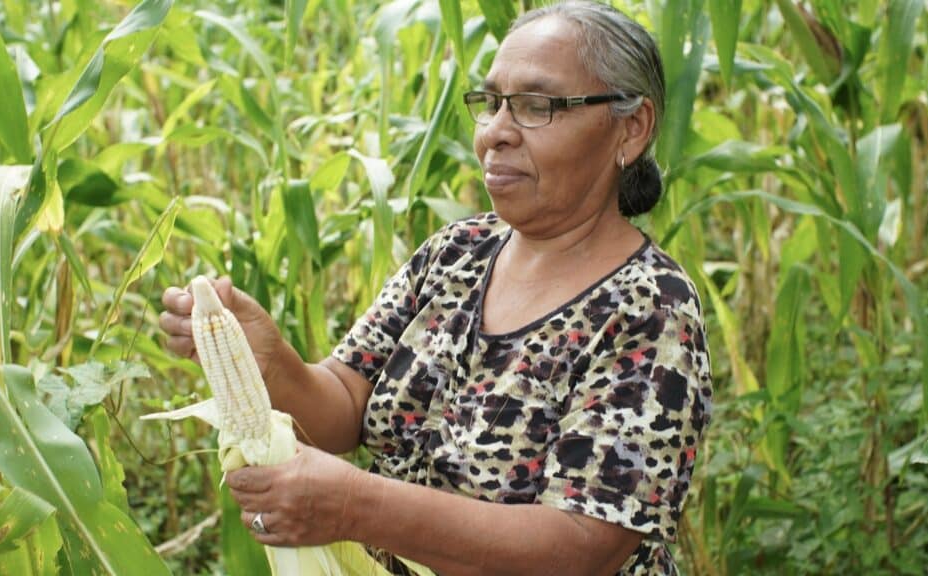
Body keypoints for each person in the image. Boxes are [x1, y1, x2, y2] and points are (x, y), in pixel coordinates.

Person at [160, 1, 711, 573]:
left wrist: (354, 505)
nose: (496, 133)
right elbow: (345, 404)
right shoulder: (457, 254)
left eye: (535, 106)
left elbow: (580, 546)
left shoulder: (651, 308)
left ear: (632, 127)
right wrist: (269, 364)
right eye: (492, 103)